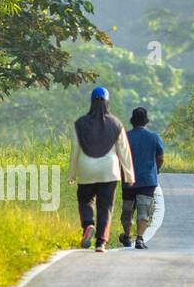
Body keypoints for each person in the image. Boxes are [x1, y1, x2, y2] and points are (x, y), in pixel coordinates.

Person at [67, 86, 135, 253]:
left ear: (91, 101)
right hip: (109, 171)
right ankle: (101, 243)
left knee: (85, 200)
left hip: (86, 168)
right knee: (106, 206)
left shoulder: (79, 123)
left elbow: (75, 150)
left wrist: (72, 174)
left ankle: (88, 224)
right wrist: (129, 174)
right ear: (107, 102)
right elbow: (124, 151)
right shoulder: (116, 123)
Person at [118, 106, 166, 250]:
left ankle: (126, 236)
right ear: (146, 121)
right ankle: (139, 238)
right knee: (143, 210)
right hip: (147, 181)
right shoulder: (154, 137)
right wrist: (156, 170)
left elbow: (119, 158)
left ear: (132, 120)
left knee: (127, 210)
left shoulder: (125, 137)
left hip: (128, 180)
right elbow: (161, 158)